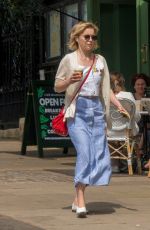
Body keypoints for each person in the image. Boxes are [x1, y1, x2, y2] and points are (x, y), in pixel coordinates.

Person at [54, 21, 127, 218]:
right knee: (85, 153)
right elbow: (57, 87)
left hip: (96, 111)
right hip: (77, 111)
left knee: (98, 156)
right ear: (77, 38)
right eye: (86, 37)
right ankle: (81, 200)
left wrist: (118, 105)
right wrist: (70, 80)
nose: (90, 40)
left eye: (93, 37)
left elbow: (106, 89)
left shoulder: (100, 60)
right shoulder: (69, 60)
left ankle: (77, 197)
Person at [108, 72, 141, 173]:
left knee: (111, 141)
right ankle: (130, 165)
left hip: (109, 132)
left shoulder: (105, 97)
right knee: (135, 133)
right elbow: (137, 116)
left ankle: (113, 165)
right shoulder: (128, 96)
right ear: (122, 83)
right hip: (128, 131)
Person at [131, 73, 150, 168]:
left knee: (147, 125)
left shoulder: (148, 96)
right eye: (138, 84)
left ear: (146, 85)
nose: (140, 86)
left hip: (146, 123)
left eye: (142, 84)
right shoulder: (130, 97)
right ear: (134, 86)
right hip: (135, 122)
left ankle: (142, 154)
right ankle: (141, 151)